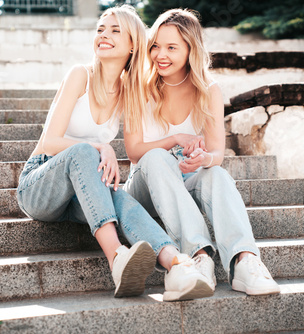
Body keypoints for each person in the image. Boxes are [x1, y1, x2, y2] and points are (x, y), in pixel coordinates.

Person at [16, 5, 213, 301]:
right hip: (40, 186)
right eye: (100, 29)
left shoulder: (129, 92)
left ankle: (176, 265)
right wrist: (101, 147)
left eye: (114, 30)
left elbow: (137, 150)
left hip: (80, 194)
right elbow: (49, 142)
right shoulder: (80, 75)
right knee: (84, 152)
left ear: (133, 44)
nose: (103, 35)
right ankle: (116, 257)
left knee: (121, 198)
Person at [123, 8, 280, 296]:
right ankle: (198, 254)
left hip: (187, 178)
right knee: (156, 156)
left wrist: (203, 158)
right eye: (155, 46)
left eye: (172, 47)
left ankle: (245, 261)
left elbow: (217, 152)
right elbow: (133, 152)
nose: (160, 55)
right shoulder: (139, 87)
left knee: (216, 174)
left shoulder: (208, 90)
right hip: (143, 184)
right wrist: (175, 139)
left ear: (190, 50)